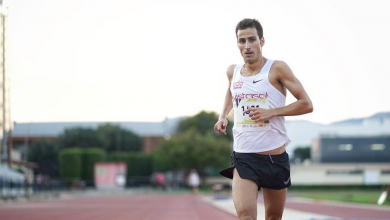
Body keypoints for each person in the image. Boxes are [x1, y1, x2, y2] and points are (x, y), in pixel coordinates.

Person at [214, 18, 313, 220]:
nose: (247, 46)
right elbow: (230, 92)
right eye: (242, 41)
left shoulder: (277, 69)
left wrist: (272, 112)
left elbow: (306, 104)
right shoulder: (232, 72)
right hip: (244, 157)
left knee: (273, 217)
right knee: (245, 216)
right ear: (237, 43)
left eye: (252, 40)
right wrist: (222, 116)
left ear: (262, 41)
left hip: (274, 158)